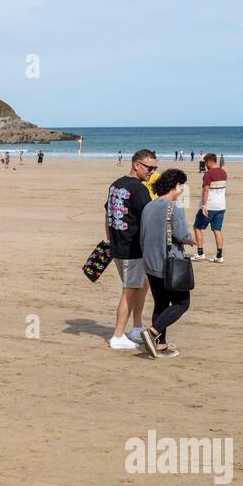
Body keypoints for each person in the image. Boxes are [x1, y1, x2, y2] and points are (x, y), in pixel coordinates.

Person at [104, 149, 158, 350]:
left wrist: (111, 240)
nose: (152, 171)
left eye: (155, 168)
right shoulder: (138, 189)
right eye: (150, 167)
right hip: (132, 248)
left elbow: (107, 213)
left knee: (141, 285)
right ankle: (118, 335)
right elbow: (150, 218)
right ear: (137, 165)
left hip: (119, 246)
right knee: (130, 290)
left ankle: (136, 326)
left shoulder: (116, 185)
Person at [138, 169, 195, 358]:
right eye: (181, 186)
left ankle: (160, 345)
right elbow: (181, 234)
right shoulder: (174, 207)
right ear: (176, 186)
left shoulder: (149, 206)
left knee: (160, 303)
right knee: (182, 302)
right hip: (168, 263)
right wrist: (191, 239)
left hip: (150, 262)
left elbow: (143, 234)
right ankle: (152, 332)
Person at [192, 153, 227, 263]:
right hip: (221, 206)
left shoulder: (208, 174)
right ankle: (219, 255)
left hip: (210, 205)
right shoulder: (223, 172)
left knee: (197, 227)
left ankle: (200, 253)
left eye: (206, 163)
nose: (205, 165)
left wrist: (204, 206)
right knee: (217, 230)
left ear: (209, 162)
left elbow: (206, 190)